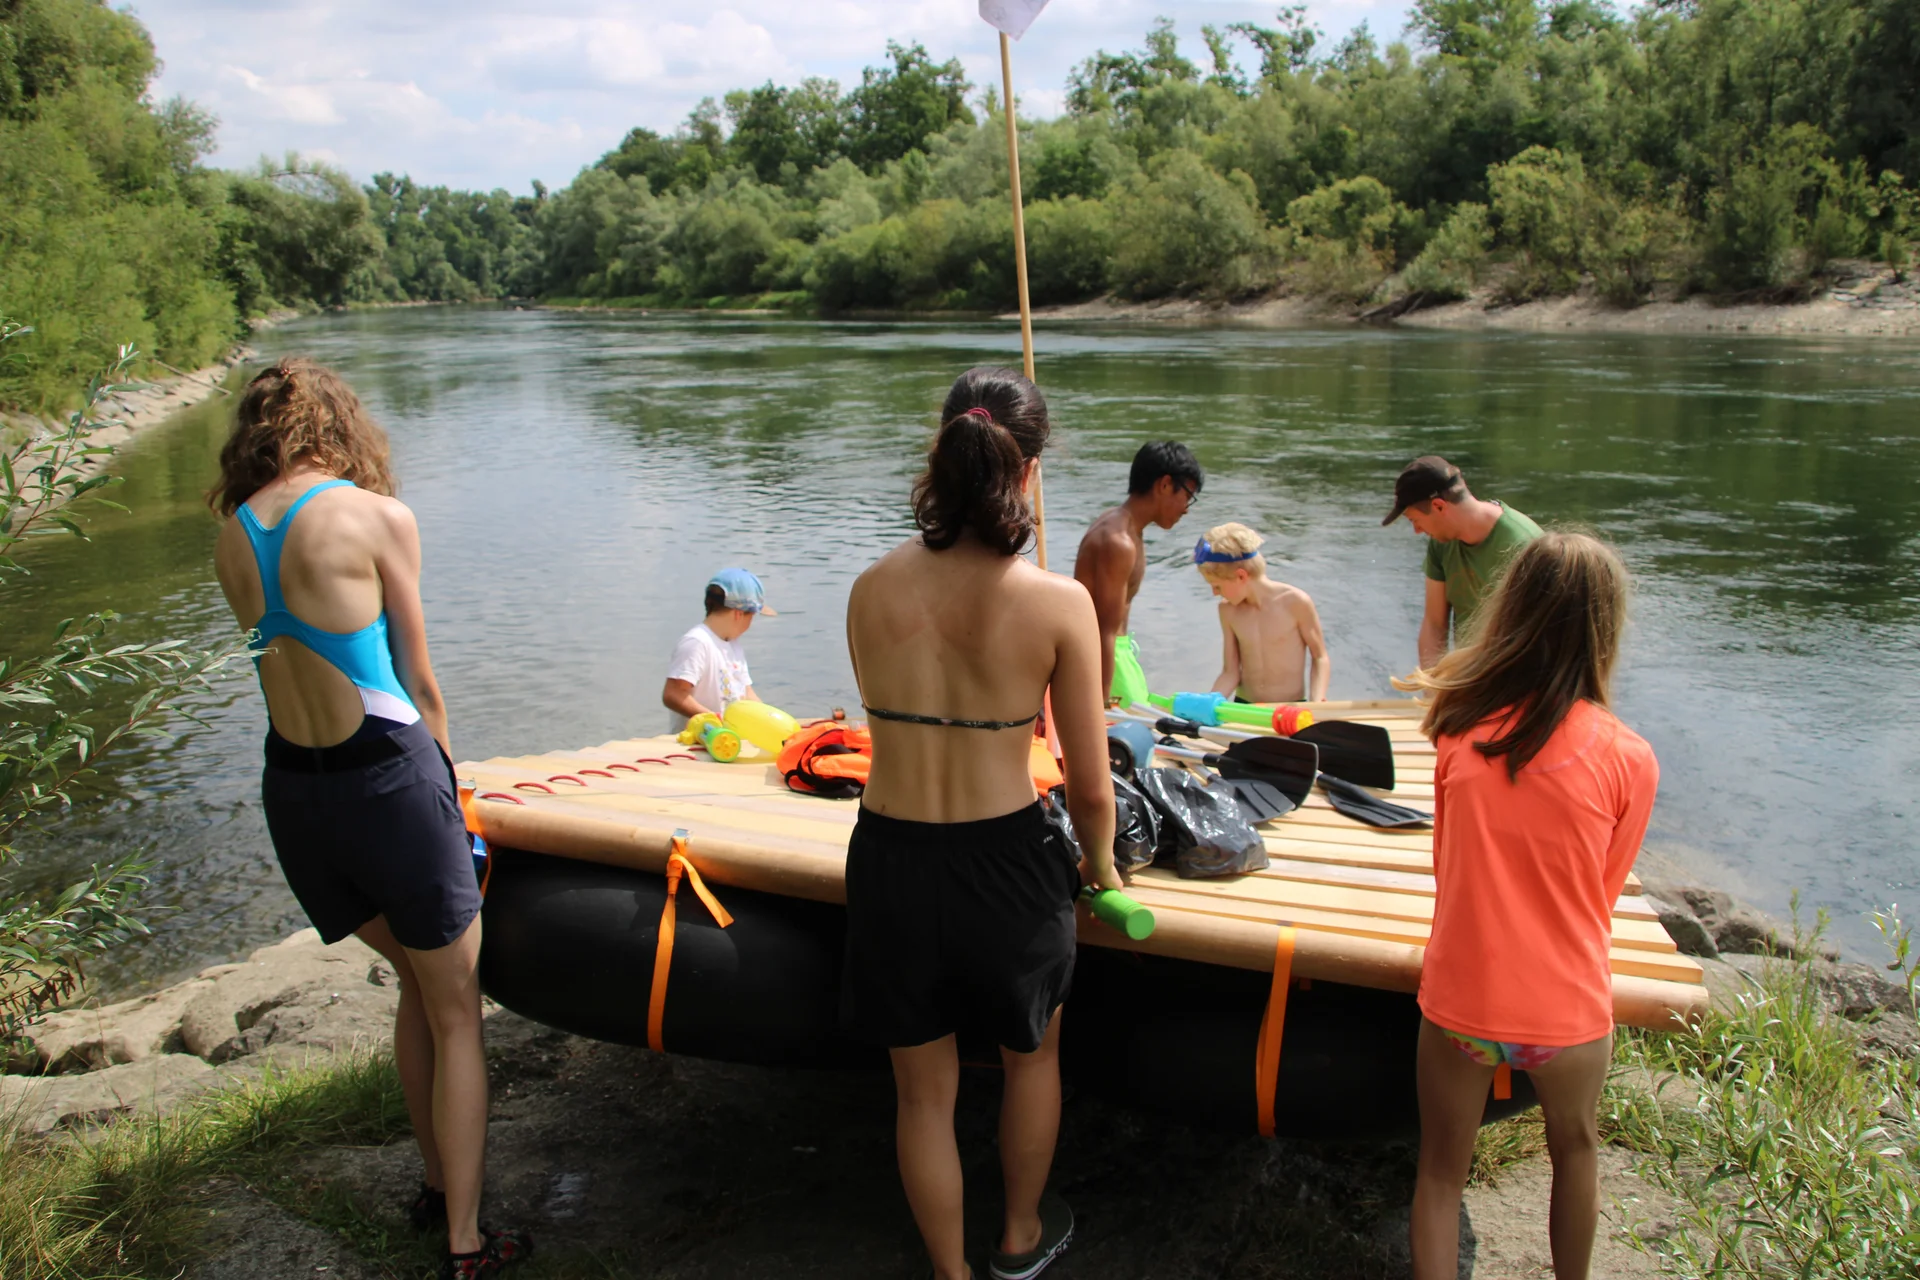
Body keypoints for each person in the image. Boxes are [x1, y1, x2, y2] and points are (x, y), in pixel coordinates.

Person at [208, 359, 530, 1280]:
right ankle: (468, 1246)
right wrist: (451, 794)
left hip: (293, 790)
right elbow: (418, 683)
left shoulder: (231, 535)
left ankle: (435, 1187)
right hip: (385, 779)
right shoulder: (376, 516)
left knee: (414, 985)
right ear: (341, 427)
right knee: (458, 1007)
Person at [845, 366, 1120, 1280]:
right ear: (1029, 470)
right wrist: (1104, 871)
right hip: (1006, 858)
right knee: (1029, 1057)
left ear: (943, 456)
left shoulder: (869, 586)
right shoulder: (1056, 601)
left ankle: (948, 1273)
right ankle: (1019, 1238)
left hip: (889, 851)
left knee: (922, 1091)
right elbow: (1088, 781)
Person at [1396, 532, 1659, 1280]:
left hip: (1463, 1000)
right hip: (1566, 1009)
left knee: (1441, 1175)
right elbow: (1600, 896)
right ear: (1606, 626)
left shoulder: (1456, 730)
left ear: (1511, 610)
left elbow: (1451, 870)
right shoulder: (1629, 756)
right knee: (1575, 1150)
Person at [1073, 441, 1203, 708]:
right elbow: (1102, 632)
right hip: (1110, 667)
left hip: (1121, 657)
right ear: (1165, 484)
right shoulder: (1118, 541)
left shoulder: (1125, 527)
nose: (1187, 508)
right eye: (1188, 495)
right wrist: (1099, 706)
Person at [1381, 456, 1541, 668]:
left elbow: (1538, 639)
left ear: (1438, 506)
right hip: (1470, 678)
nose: (1417, 531)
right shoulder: (1441, 541)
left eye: (1415, 521)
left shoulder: (1524, 547)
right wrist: (1432, 690)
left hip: (1519, 677)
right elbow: (1435, 624)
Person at [1193, 522, 1331, 703]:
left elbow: (1319, 657)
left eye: (1217, 586)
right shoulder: (1227, 611)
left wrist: (1317, 700)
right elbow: (1230, 672)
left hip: (1289, 708)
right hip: (1245, 706)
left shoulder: (1295, 602)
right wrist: (1208, 701)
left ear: (1241, 576)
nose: (1215, 593)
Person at [661, 568, 771, 732]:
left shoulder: (733, 644)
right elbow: (673, 695)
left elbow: (746, 693)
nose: (751, 624)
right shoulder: (697, 642)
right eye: (752, 616)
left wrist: (770, 719)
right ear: (738, 614)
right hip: (696, 742)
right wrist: (715, 720)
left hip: (728, 740)